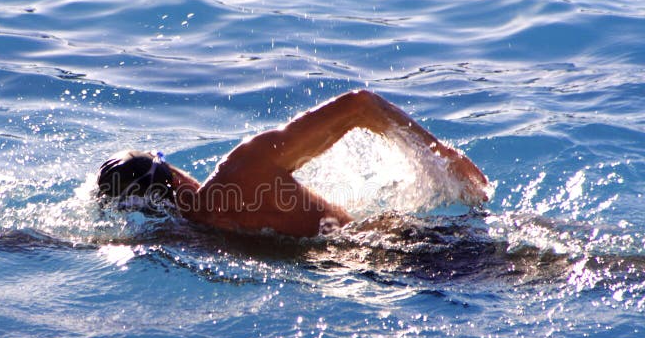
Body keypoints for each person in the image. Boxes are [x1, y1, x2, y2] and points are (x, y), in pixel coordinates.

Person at [97, 90, 488, 238]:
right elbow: (359, 105)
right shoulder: (242, 171)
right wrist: (442, 160)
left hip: (360, 275)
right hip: (401, 244)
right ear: (172, 173)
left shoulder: (189, 240)